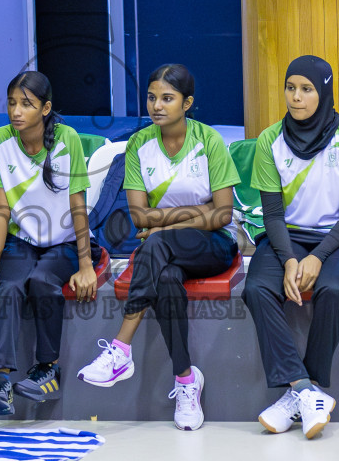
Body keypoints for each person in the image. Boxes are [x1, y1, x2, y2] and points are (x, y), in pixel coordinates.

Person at [76, 64, 239, 431]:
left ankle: (120, 348)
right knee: (165, 278)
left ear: (187, 103)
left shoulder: (208, 141)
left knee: (158, 244)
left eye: (167, 98)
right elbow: (138, 218)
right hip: (166, 251)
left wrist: (167, 221)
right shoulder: (138, 145)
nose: (157, 106)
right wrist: (197, 213)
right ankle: (185, 381)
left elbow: (224, 215)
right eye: (152, 97)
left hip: (212, 247)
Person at [243, 56, 339, 440]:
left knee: (333, 289)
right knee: (256, 289)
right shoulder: (270, 140)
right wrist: (289, 260)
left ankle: (303, 391)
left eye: (306, 89)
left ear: (324, 92)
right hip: (287, 236)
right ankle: (304, 391)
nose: (296, 97)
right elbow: (271, 215)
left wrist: (317, 256)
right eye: (290, 88)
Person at [0, 72, 100, 417]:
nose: (16, 111)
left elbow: (78, 203)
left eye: (26, 104)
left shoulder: (66, 139)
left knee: (43, 281)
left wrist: (86, 265)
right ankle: (1, 380)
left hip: (65, 242)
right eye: (12, 103)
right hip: (22, 239)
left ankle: (49, 368)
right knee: (9, 287)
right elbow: (0, 208)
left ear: (45, 108)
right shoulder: (2, 140)